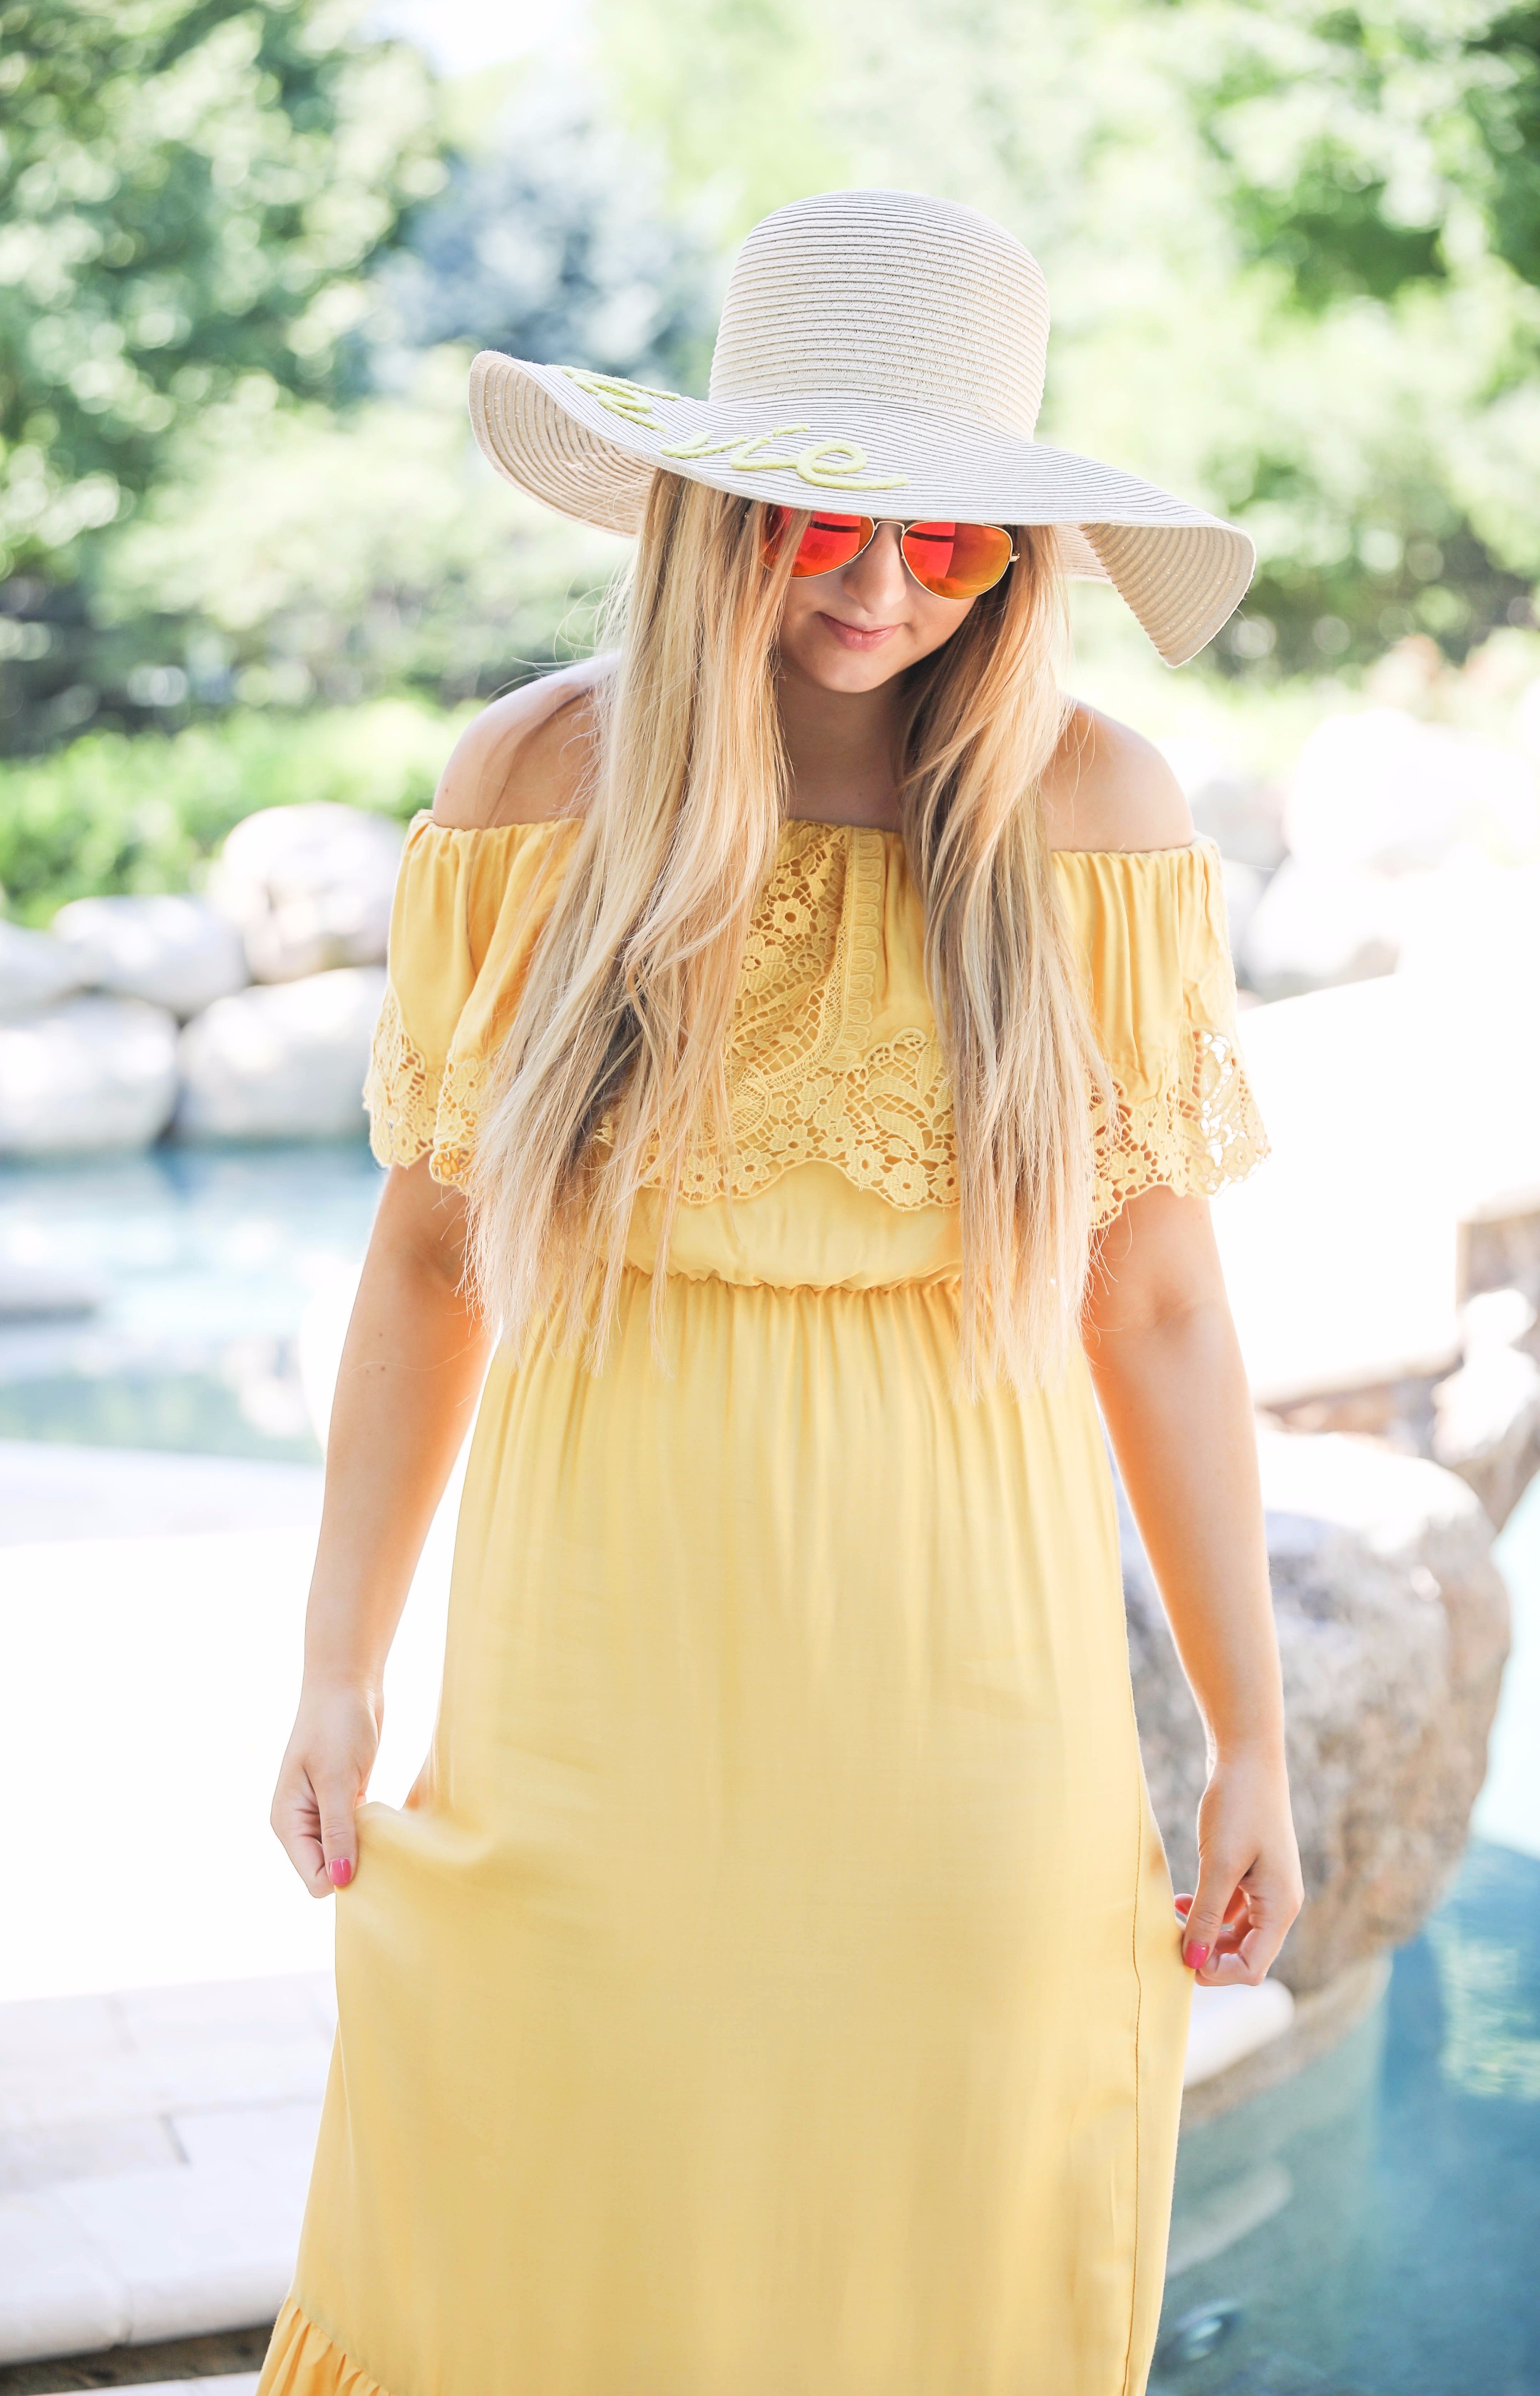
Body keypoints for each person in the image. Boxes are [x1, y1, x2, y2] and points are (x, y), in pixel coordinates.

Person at [259, 188, 1302, 2396]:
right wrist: (339, 1666)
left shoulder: (1094, 811)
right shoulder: (537, 784)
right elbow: (436, 1256)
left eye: (948, 542)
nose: (878, 587)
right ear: (708, 507)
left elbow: (1164, 1315)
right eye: (822, 524)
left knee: (942, 2196)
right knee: (556, 2175)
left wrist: (1253, 1739)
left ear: (1014, 561)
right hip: (599, 1632)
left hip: (968, 1661)